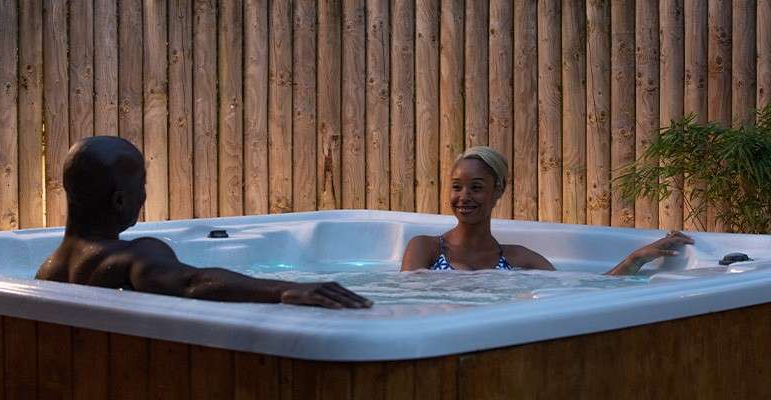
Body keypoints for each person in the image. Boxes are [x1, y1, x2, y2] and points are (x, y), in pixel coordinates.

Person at [36, 136, 372, 309]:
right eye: (141, 187)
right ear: (119, 201)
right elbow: (191, 282)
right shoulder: (133, 256)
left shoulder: (49, 269)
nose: (144, 197)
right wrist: (287, 288)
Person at [401, 146, 694, 275]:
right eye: (456, 187)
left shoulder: (519, 259)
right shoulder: (425, 248)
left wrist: (636, 258)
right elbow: (405, 305)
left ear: (498, 190)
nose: (464, 197)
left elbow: (576, 295)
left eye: (476, 187)